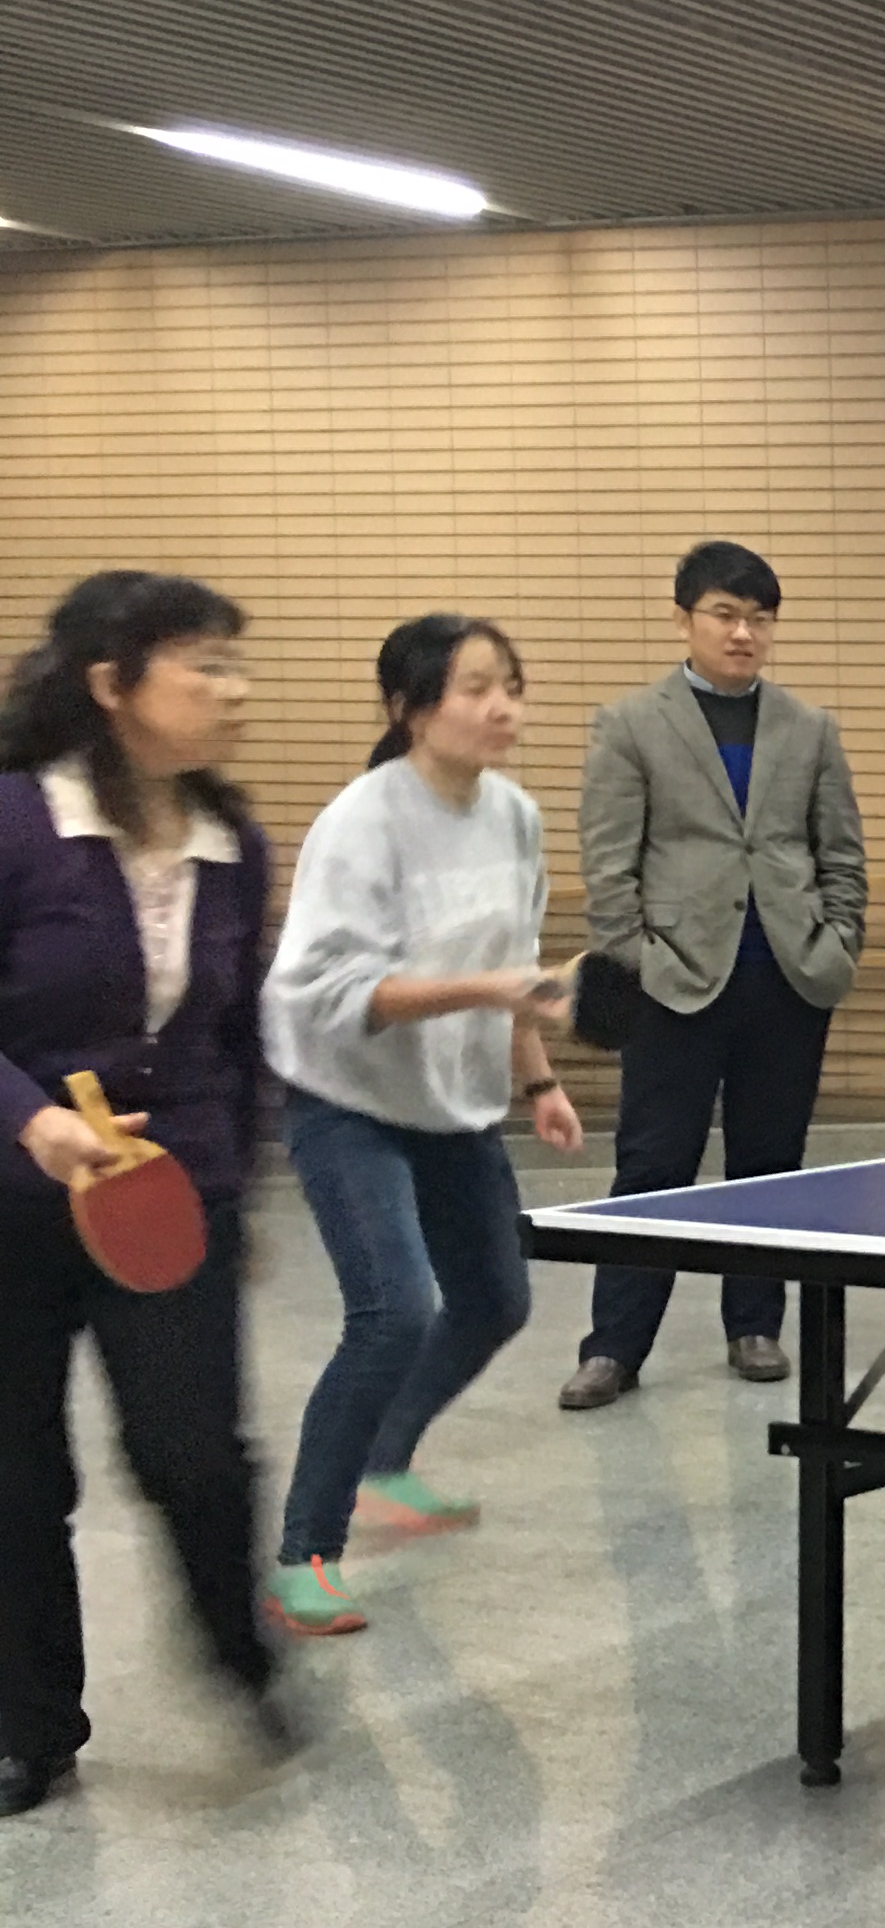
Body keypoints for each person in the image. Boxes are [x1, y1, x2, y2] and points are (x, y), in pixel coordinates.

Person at [0, 573, 293, 1807]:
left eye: (235, 664)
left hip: (171, 1201)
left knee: (195, 1457)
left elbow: (237, 1042)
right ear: (112, 685)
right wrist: (33, 1123)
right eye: (205, 667)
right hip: (12, 1203)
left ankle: (239, 1653)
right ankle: (30, 1728)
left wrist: (237, 1193)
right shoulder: (16, 822)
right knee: (17, 1477)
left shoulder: (232, 845)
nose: (235, 692)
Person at [263, 615, 585, 1635]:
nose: (503, 707)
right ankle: (305, 1552)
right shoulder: (361, 822)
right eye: (476, 687)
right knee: (393, 1312)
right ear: (410, 708)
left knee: (493, 1301)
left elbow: (516, 967)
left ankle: (383, 1466)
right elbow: (327, 990)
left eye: (511, 685)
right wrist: (488, 989)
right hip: (345, 1099)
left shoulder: (515, 815)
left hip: (453, 1098)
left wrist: (538, 1082)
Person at [558, 539, 868, 1410]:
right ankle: (613, 1347)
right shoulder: (630, 724)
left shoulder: (809, 728)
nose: (743, 634)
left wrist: (837, 940)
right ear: (683, 619)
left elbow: (841, 853)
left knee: (770, 1165)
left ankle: (755, 1326)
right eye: (725, 615)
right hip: (675, 982)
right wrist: (638, 961)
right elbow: (609, 866)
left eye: (759, 620)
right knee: (652, 1166)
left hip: (787, 980)